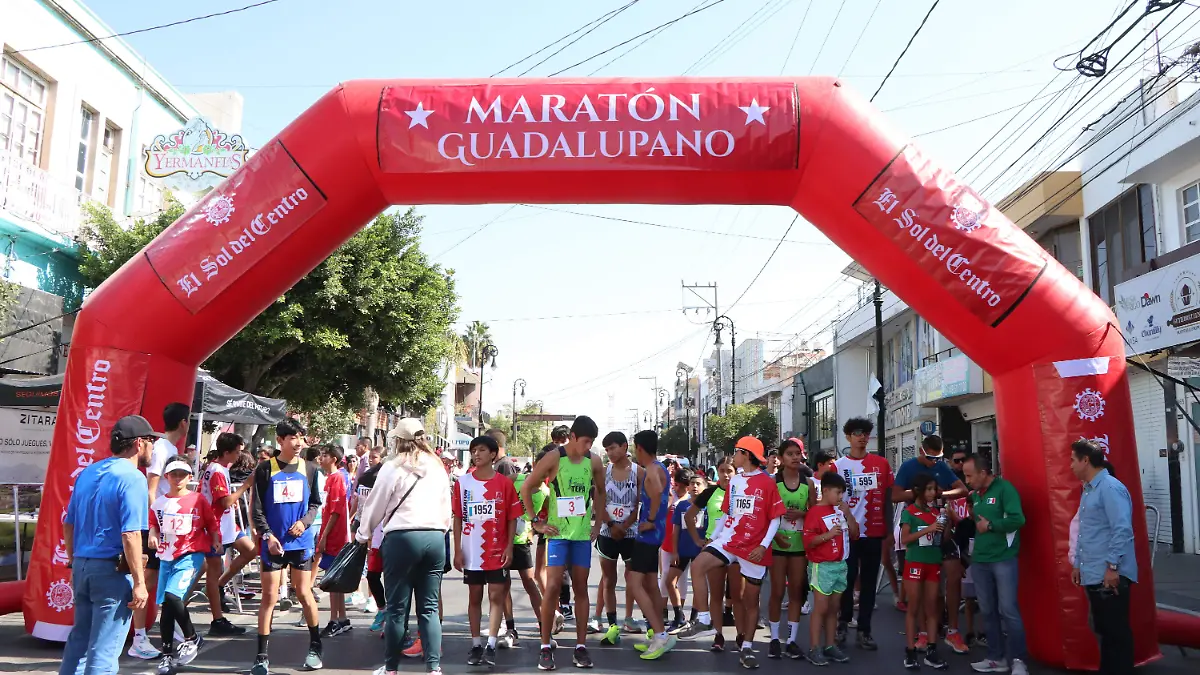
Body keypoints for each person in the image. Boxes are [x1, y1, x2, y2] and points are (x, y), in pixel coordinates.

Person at [60, 415, 156, 675]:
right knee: (104, 651)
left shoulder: (88, 472)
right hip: (111, 571)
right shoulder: (134, 478)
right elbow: (131, 535)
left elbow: (69, 523)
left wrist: (73, 561)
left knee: (78, 645)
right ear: (139, 443)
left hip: (82, 565)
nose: (153, 447)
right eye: (151, 441)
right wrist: (139, 582)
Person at [357, 418, 452, 675]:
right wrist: (440, 530)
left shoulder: (393, 466)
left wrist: (362, 535)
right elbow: (447, 507)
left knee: (398, 609)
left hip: (401, 537)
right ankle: (433, 667)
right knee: (429, 608)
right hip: (434, 537)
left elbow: (375, 505)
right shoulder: (437, 466)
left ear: (398, 439)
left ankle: (391, 668)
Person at [681, 437, 785, 669]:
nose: (734, 455)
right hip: (729, 541)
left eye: (737, 452)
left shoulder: (768, 482)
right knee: (698, 566)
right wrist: (715, 536)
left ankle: (747, 646)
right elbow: (728, 514)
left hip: (754, 548)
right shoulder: (735, 481)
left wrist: (763, 546)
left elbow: (775, 517)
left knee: (750, 600)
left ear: (746, 455)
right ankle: (706, 621)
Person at [522, 416, 606, 671]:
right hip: (557, 535)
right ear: (572, 436)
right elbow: (528, 487)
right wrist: (536, 521)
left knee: (581, 587)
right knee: (553, 587)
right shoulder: (555, 458)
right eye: (585, 441)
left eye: (591, 442)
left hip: (580, 536)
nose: (588, 446)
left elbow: (601, 492)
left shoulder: (594, 461)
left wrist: (598, 523)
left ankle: (580, 646)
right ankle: (545, 646)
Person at [249, 419, 324, 675]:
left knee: (304, 593)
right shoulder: (264, 469)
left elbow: (315, 504)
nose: (298, 442)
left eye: (301, 437)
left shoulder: (311, 469)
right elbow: (256, 510)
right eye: (293, 437)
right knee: (269, 598)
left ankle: (315, 647)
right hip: (273, 544)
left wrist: (304, 523)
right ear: (280, 440)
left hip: (300, 543)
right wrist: (268, 535)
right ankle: (261, 657)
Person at [454, 435, 523, 668]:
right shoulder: (462, 483)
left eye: (481, 450)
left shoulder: (504, 483)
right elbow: (457, 518)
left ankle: (491, 644)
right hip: (471, 551)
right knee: (475, 597)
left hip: (497, 551)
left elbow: (513, 517)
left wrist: (509, 546)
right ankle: (475, 644)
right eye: (474, 450)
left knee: (496, 597)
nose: (476, 454)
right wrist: (457, 550)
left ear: (493, 454)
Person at [129, 402, 191, 661]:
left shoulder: (170, 448)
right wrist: (154, 526)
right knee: (147, 582)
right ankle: (139, 637)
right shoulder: (163, 448)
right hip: (157, 528)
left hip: (170, 527)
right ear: (184, 423)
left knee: (166, 580)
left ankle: (172, 627)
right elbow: (151, 489)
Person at [149, 455, 221, 675]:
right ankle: (167, 655)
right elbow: (154, 524)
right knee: (166, 607)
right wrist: (153, 535)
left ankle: (191, 636)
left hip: (191, 553)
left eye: (182, 474)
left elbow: (211, 522)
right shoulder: (159, 502)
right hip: (166, 555)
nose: (178, 479)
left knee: (173, 596)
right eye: (174, 475)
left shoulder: (198, 499)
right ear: (167, 477)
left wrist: (216, 539)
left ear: (189, 477)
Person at [1070, 440, 1137, 675]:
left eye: (1073, 460)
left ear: (1085, 460)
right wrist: (1078, 563)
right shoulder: (1089, 490)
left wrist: (1112, 567)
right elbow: (1086, 531)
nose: (1071, 466)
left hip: (1109, 574)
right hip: (1094, 572)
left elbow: (1122, 529)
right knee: (1106, 632)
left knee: (1116, 633)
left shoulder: (1110, 487)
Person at [832, 417, 894, 651]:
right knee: (846, 582)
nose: (862, 437)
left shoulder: (881, 463)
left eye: (866, 433)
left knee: (869, 584)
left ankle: (865, 630)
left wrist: (888, 529)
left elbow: (888, 497)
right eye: (857, 433)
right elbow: (831, 500)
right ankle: (842, 624)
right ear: (848, 437)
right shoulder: (838, 466)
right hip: (846, 533)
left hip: (874, 531)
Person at [962, 454, 1028, 675]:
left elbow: (1018, 519)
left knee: (1008, 610)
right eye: (965, 476)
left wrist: (991, 526)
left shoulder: (1004, 489)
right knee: (988, 611)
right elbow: (980, 522)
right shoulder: (976, 495)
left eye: (970, 475)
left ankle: (1019, 661)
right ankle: (995, 658)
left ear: (983, 473)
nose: (967, 480)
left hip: (1003, 559)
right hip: (980, 560)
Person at [626, 430, 678, 660]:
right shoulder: (660, 467)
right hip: (656, 534)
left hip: (648, 535)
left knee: (633, 581)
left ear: (639, 447)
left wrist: (648, 520)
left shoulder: (653, 470)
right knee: (648, 582)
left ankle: (659, 635)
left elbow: (656, 494)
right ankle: (659, 632)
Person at [678, 456, 735, 647]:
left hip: (738, 548)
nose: (726, 475)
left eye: (730, 471)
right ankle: (717, 635)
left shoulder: (742, 492)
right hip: (715, 547)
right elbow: (689, 516)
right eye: (722, 471)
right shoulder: (710, 492)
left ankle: (743, 638)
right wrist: (697, 539)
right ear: (717, 472)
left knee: (739, 597)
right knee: (716, 595)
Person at [201, 433, 254, 636]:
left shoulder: (220, 468)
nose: (240, 455)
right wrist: (246, 486)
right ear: (227, 452)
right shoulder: (216, 470)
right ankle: (217, 619)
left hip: (227, 525)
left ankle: (220, 586)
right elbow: (223, 501)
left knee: (250, 551)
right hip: (216, 527)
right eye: (238, 452)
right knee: (210, 572)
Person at [592, 431, 641, 645]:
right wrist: (611, 524)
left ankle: (631, 618)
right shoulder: (604, 472)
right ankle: (612, 626)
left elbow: (641, 503)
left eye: (613, 448)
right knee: (609, 580)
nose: (609, 453)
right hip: (607, 533)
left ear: (624, 446)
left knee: (635, 580)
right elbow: (598, 503)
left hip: (631, 534)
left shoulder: (640, 473)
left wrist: (626, 525)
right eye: (606, 449)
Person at [803, 470, 856, 666]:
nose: (841, 496)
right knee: (821, 608)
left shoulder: (840, 510)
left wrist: (848, 514)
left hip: (840, 564)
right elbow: (808, 541)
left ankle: (830, 645)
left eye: (842, 492)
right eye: (837, 492)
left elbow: (855, 533)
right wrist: (828, 535)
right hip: (821, 565)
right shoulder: (815, 512)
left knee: (834, 608)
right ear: (825, 491)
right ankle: (814, 648)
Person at [768, 437, 813, 660]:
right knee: (776, 591)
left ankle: (792, 640)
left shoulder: (808, 483)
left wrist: (802, 514)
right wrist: (775, 534)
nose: (795, 457)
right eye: (790, 454)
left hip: (798, 546)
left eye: (798, 453)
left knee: (796, 592)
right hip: (777, 545)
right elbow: (764, 514)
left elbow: (816, 514)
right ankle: (775, 639)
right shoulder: (772, 482)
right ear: (781, 458)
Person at [899, 473, 949, 670]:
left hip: (933, 563)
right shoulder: (909, 512)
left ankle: (932, 650)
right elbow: (905, 539)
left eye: (934, 489)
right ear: (919, 490)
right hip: (915, 564)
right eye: (928, 489)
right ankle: (910, 652)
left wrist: (945, 526)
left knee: (932, 609)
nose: (932, 493)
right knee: (913, 608)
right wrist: (928, 529)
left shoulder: (937, 512)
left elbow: (940, 540)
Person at [509, 456, 547, 648]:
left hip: (522, 540)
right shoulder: (516, 478)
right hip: (503, 539)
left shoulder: (546, 492)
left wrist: (534, 530)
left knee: (530, 583)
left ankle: (543, 627)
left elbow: (543, 519)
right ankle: (509, 628)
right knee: (502, 586)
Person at [943, 446, 976, 654]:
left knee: (972, 595)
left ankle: (972, 632)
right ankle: (938, 628)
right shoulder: (946, 488)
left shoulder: (975, 489)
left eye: (963, 461)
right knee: (943, 588)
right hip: (954, 540)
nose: (960, 465)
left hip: (972, 539)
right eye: (956, 461)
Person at [317, 445, 352, 637]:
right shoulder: (330, 479)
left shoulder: (337, 478)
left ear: (334, 459)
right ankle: (342, 619)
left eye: (325, 456)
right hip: (330, 534)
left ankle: (334, 619)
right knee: (334, 579)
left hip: (336, 537)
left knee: (332, 579)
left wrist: (324, 536)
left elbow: (336, 511)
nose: (321, 458)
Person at [664, 469, 702, 634]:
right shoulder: (681, 506)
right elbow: (676, 530)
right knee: (669, 581)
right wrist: (674, 551)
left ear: (704, 487)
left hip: (701, 552)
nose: (694, 487)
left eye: (698, 484)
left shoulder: (707, 506)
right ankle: (679, 616)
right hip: (683, 550)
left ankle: (695, 617)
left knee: (698, 584)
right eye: (692, 484)